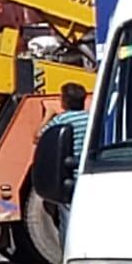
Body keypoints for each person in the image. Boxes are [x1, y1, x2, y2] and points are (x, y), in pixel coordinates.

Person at [40, 82, 89, 243]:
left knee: (68, 219)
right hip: (90, 174)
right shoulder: (92, 118)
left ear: (65, 101)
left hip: (71, 177)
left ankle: (68, 255)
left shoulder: (62, 120)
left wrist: (49, 114)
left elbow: (37, 137)